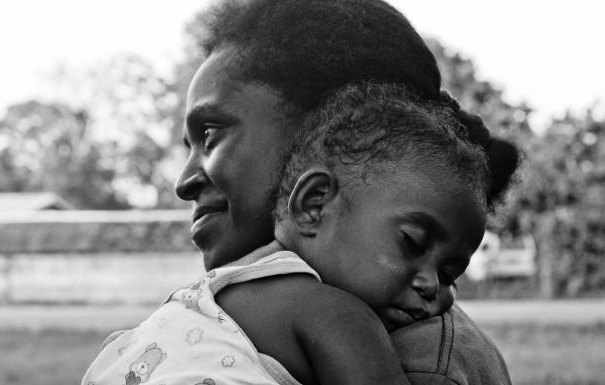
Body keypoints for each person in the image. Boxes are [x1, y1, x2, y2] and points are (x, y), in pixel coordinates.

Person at [174, 0, 518, 384]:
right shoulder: (223, 315)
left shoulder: (420, 362)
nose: (183, 182)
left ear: (329, 124)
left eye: (210, 134)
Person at [82, 82, 499, 385]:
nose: (432, 286)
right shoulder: (337, 316)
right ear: (314, 204)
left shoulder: (205, 297)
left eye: (450, 274)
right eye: (412, 243)